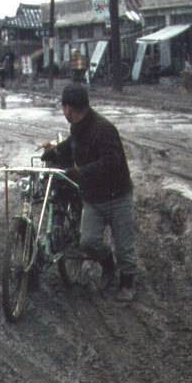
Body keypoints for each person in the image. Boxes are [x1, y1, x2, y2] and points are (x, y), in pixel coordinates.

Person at [41, 83, 137, 302]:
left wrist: (80, 172)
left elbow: (111, 162)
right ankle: (108, 264)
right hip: (94, 198)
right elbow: (72, 143)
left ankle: (127, 283)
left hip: (117, 195)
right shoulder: (78, 126)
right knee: (88, 242)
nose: (63, 111)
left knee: (124, 245)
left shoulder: (104, 129)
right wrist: (55, 152)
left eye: (63, 107)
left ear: (69, 108)